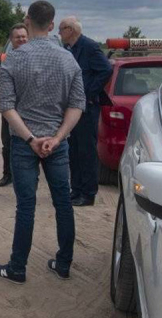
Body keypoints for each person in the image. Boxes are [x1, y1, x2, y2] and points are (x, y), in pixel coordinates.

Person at [0, 0, 85, 284]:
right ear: (53, 25)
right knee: (63, 204)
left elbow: (6, 107)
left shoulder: (14, 59)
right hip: (57, 143)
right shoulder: (68, 59)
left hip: (24, 142)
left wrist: (31, 138)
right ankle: (64, 262)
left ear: (27, 20)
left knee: (26, 206)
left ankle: (17, 267)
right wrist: (57, 138)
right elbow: (77, 104)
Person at [58, 16, 112, 207]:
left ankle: (88, 193)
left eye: (61, 29)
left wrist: (88, 93)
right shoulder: (68, 49)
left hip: (87, 109)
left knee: (86, 151)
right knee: (74, 150)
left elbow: (106, 69)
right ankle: (76, 189)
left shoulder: (89, 46)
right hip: (72, 107)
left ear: (70, 29)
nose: (59, 33)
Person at [0, 23, 29, 187]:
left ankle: (28, 177)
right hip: (9, 111)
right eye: (17, 37)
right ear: (11, 40)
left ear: (28, 38)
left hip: (29, 111)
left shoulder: (35, 59)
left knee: (29, 144)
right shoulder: (4, 61)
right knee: (8, 144)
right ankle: (8, 175)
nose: (21, 39)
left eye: (23, 36)